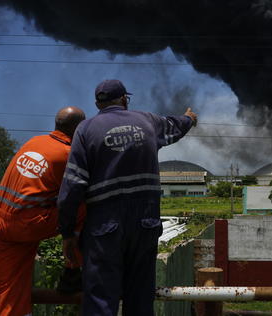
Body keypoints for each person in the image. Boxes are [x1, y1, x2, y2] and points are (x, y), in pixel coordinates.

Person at [57, 79, 198, 316]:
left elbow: (72, 187)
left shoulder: (86, 130)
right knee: (140, 297)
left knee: (100, 300)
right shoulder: (148, 121)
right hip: (145, 222)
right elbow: (176, 125)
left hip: (104, 225)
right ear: (124, 100)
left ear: (97, 104)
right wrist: (190, 119)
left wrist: (67, 233)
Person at [0, 106, 87, 316]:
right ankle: (73, 270)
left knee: (9, 293)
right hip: (27, 223)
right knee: (86, 205)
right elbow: (75, 196)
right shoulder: (68, 155)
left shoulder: (34, 142)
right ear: (78, 129)